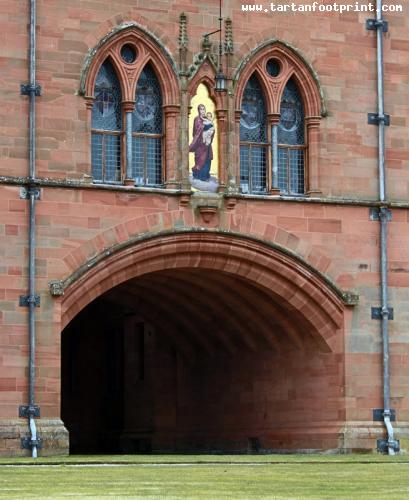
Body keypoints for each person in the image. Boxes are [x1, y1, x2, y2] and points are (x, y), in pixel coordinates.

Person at [189, 104, 214, 181]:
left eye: (204, 109)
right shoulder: (197, 119)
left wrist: (211, 130)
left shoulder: (207, 119)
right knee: (200, 159)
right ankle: (198, 175)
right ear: (198, 110)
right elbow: (196, 130)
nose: (203, 111)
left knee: (207, 159)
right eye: (201, 109)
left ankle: (205, 176)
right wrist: (204, 126)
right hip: (199, 143)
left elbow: (212, 128)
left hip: (207, 144)